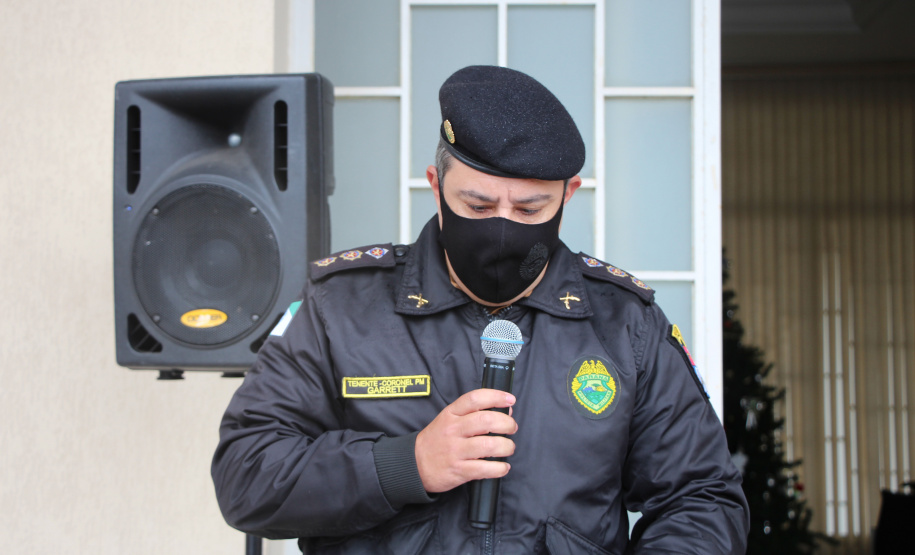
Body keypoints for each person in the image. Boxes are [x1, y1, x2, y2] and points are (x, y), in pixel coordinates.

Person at [212, 65, 750, 554]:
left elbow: (702, 499)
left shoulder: (625, 324)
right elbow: (246, 476)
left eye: (529, 208)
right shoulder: (341, 307)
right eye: (478, 205)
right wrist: (407, 463)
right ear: (434, 185)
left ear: (568, 197)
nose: (501, 226)